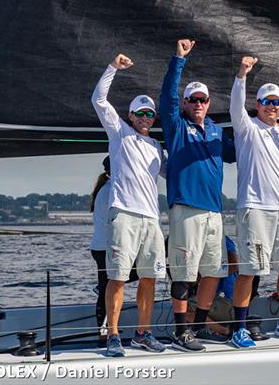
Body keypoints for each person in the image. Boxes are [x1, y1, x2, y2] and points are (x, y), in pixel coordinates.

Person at [159, 39, 236, 352]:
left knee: (213, 272)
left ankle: (200, 326)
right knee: (183, 274)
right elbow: (166, 99)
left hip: (214, 214)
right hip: (186, 211)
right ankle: (181, 333)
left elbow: (242, 149)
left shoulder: (217, 131)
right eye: (193, 99)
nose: (199, 104)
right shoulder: (177, 128)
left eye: (203, 99)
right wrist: (178, 59)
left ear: (208, 101)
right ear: (186, 103)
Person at [229, 56, 279, 349]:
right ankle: (239, 328)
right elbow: (236, 106)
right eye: (266, 102)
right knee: (250, 271)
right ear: (258, 105)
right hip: (255, 207)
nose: (272, 106)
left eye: (276, 102)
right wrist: (242, 75)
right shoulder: (247, 128)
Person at [91, 54, 166, 357]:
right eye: (141, 113)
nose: (146, 118)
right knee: (118, 277)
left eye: (150, 114)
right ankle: (113, 336)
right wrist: (112, 68)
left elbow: (174, 174)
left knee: (149, 277)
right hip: (124, 215)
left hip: (151, 220)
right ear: (131, 116)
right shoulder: (120, 134)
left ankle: (143, 334)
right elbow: (98, 99)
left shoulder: (156, 146)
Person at [186, 234, 239, 336]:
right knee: (190, 304)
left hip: (231, 304)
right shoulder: (219, 238)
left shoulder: (220, 239)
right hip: (228, 302)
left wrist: (207, 276)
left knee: (185, 311)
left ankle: (224, 331)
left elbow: (235, 264)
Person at [89, 156, 111, 340]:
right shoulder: (112, 189)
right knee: (107, 288)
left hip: (100, 246)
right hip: (107, 247)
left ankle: (103, 332)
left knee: (106, 287)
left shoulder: (104, 188)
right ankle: (103, 332)